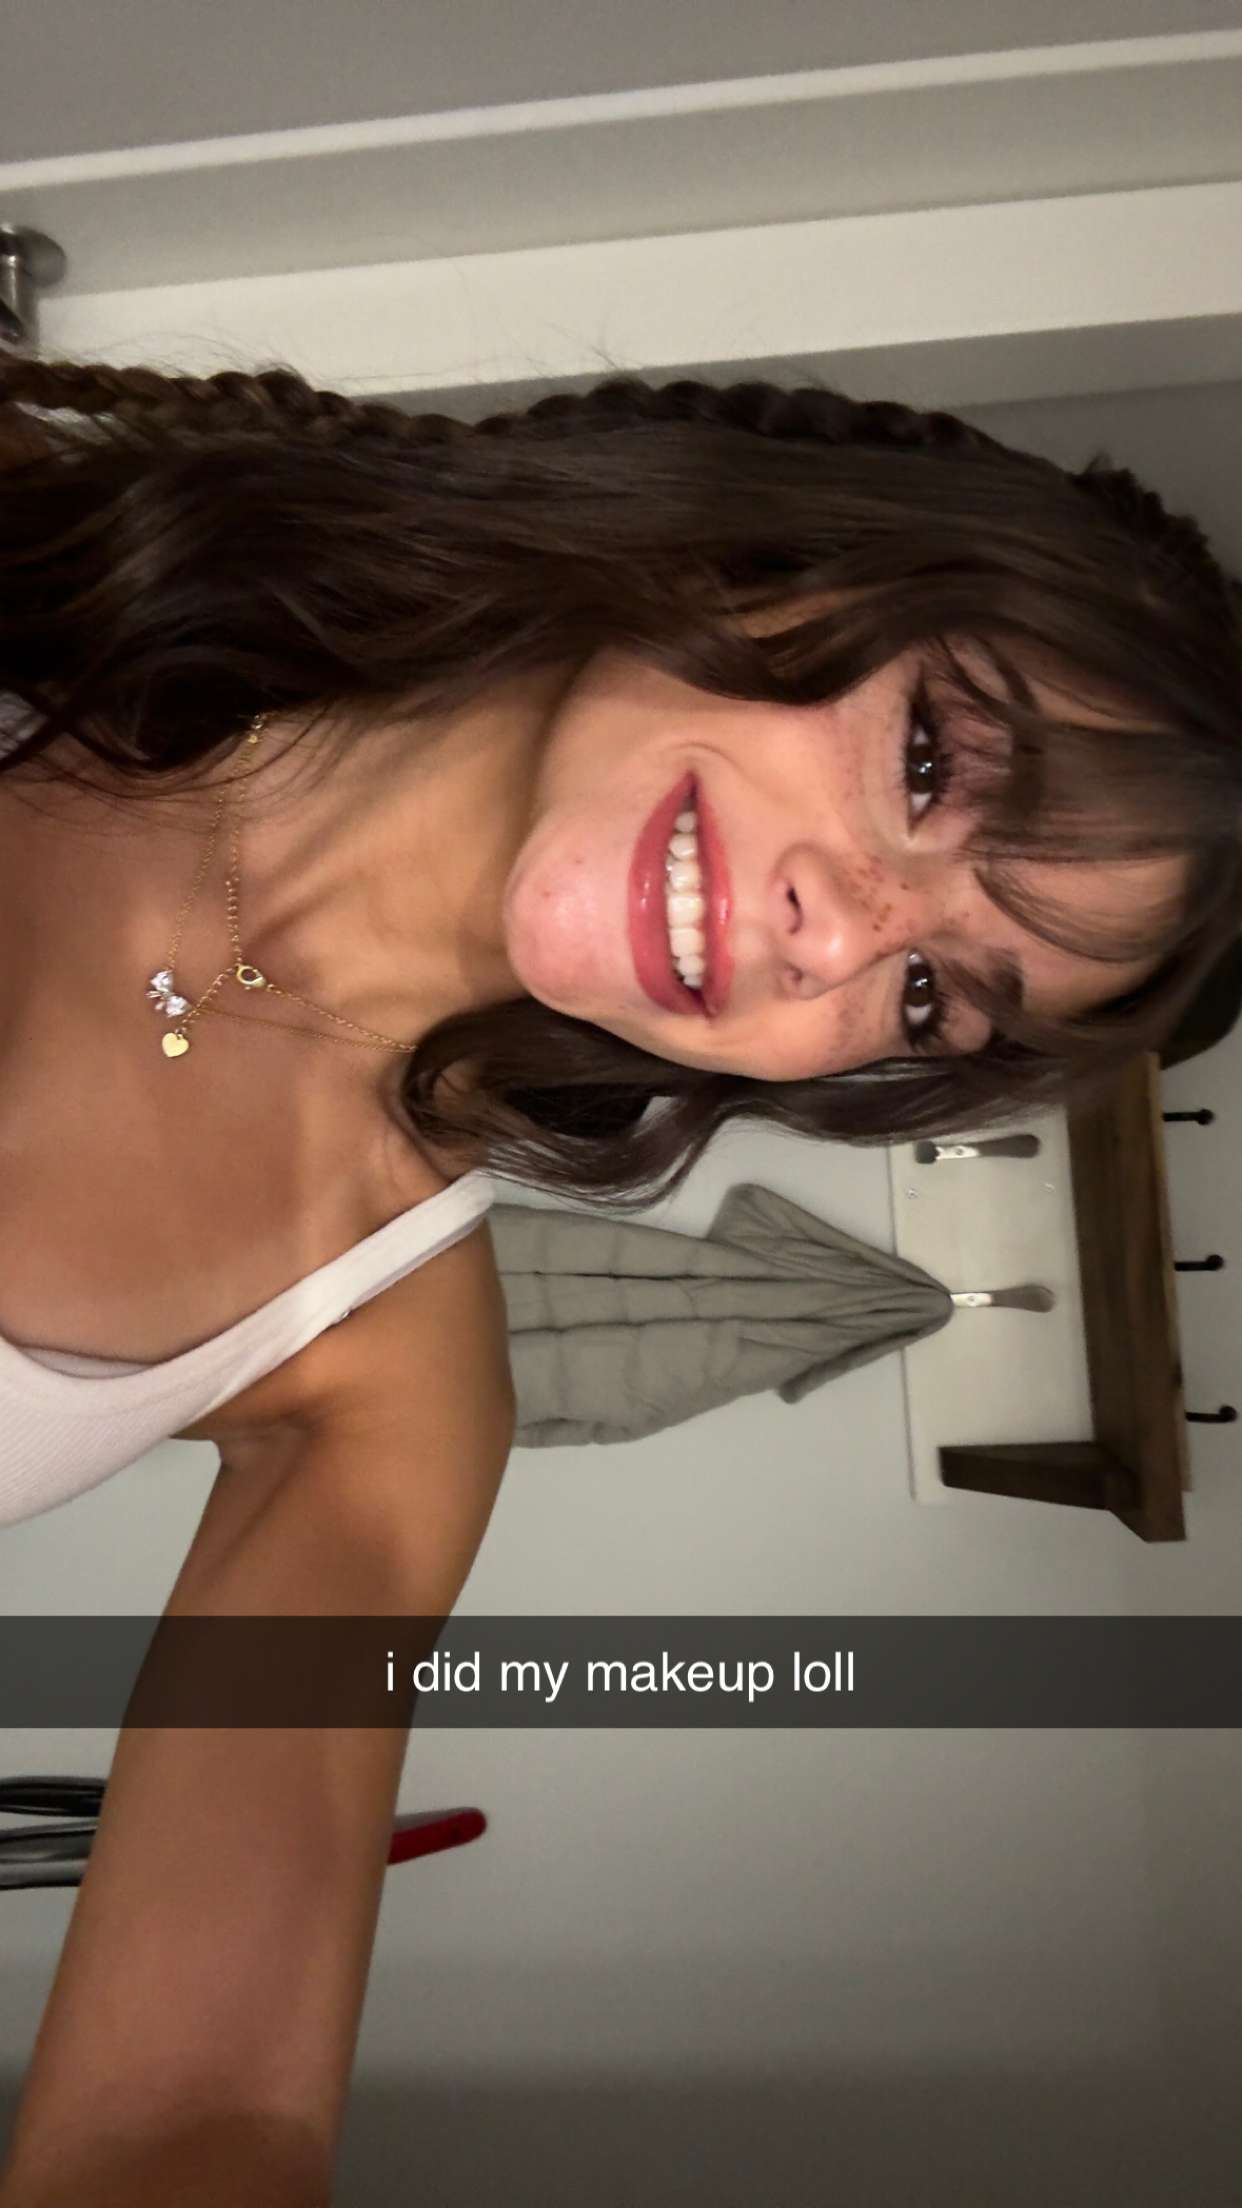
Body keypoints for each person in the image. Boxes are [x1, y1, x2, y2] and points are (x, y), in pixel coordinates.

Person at [0, 356, 1239, 2200]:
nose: (845, 933)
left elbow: (192, 2117)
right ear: (772, 555)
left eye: (931, 997)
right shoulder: (36, 526)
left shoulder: (387, 1389)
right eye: (928, 761)